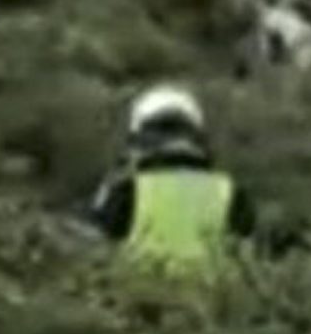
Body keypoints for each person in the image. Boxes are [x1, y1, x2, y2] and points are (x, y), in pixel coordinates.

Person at [83, 86, 244, 272]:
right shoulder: (231, 191)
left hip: (139, 296)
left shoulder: (124, 188)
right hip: (214, 298)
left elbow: (95, 251)